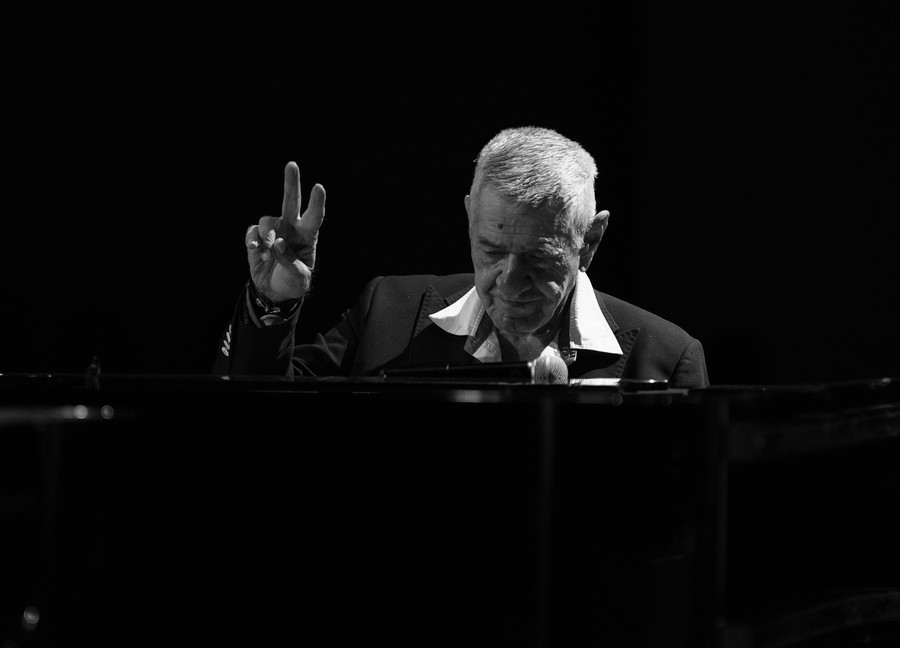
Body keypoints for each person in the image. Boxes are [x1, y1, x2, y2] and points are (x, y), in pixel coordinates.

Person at [213, 126, 708, 388]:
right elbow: (256, 430)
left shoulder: (666, 359)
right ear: (470, 218)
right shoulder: (388, 312)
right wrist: (272, 303)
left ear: (591, 240)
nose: (509, 282)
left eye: (538, 258)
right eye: (491, 251)